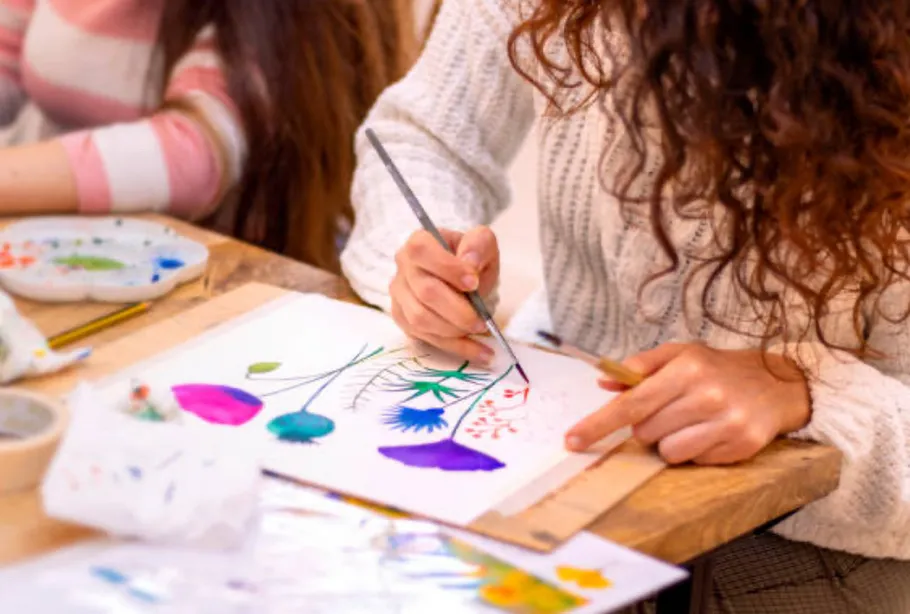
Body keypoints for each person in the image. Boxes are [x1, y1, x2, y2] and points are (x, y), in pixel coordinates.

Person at [341, 0, 910, 611]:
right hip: (557, 428)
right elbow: (422, 138)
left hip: (822, 539)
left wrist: (806, 396)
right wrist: (423, 254)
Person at [0, 0, 414, 271]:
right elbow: (7, 52)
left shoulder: (282, 20)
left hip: (207, 282)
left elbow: (193, 152)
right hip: (47, 252)